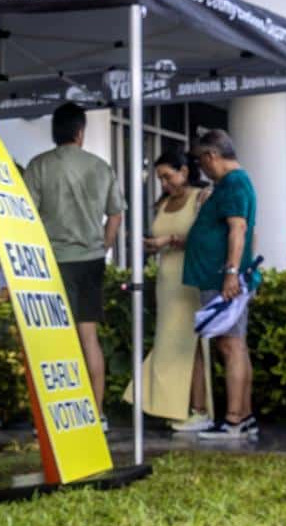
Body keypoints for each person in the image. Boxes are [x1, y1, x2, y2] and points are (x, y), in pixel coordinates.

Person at [23, 102, 125, 412]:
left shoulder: (38, 165)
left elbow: (26, 215)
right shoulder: (100, 166)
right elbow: (115, 216)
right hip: (90, 261)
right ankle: (96, 412)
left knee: (54, 340)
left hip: (52, 262)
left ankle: (60, 413)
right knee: (88, 337)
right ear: (80, 133)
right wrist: (103, 246)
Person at [128, 146, 213, 430]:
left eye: (168, 177)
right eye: (160, 179)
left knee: (192, 345)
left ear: (184, 172)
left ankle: (198, 409)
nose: (164, 184)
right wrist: (151, 246)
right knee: (168, 342)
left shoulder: (201, 197)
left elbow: (206, 239)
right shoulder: (161, 204)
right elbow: (159, 238)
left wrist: (170, 240)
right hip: (166, 280)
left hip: (190, 279)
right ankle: (170, 406)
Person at [183, 129, 257, 439]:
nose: (202, 168)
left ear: (212, 156)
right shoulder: (231, 184)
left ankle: (234, 419)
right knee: (234, 344)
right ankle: (244, 416)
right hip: (220, 276)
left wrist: (230, 272)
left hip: (223, 278)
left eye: (201, 161)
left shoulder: (233, 183)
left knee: (231, 345)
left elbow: (237, 229)